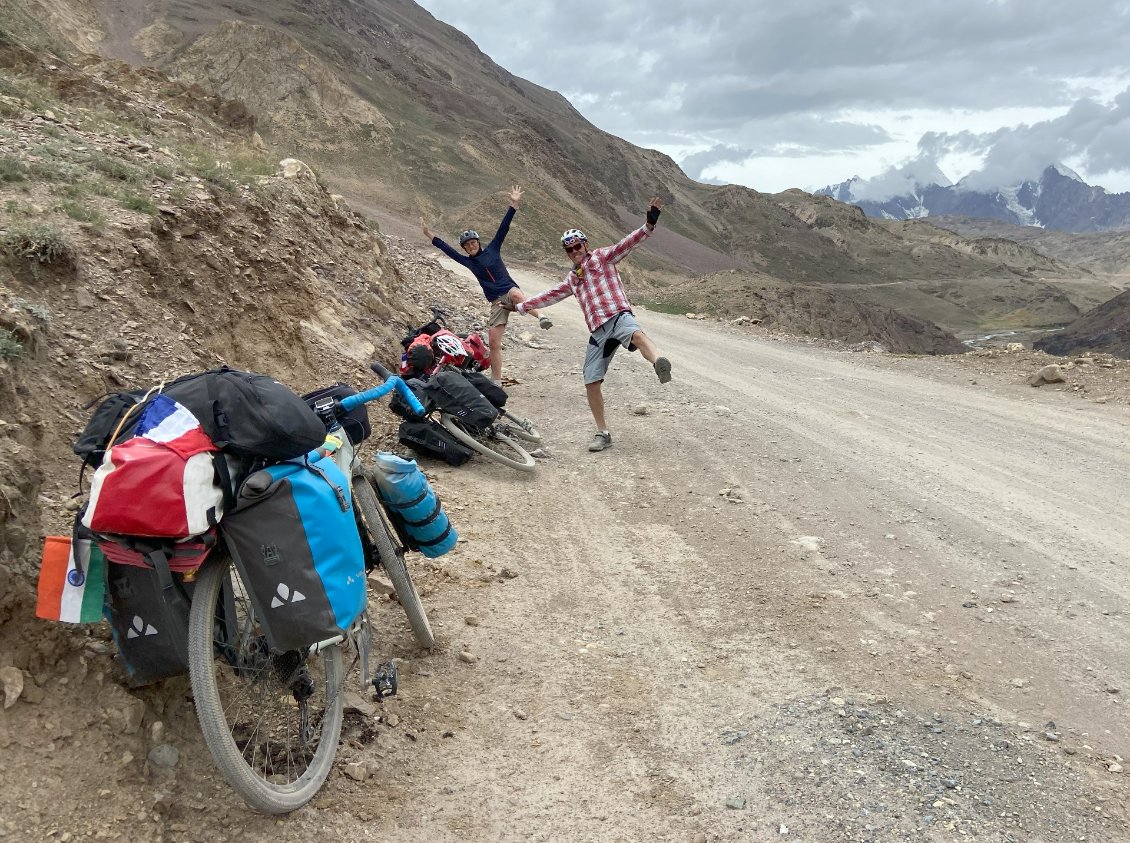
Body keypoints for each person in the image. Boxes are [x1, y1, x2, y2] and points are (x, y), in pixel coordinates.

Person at [508, 197, 671, 453]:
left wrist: (648, 225)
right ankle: (603, 433)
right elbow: (551, 295)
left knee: (636, 335)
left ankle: (659, 361)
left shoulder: (604, 257)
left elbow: (627, 244)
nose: (574, 252)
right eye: (569, 249)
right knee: (591, 381)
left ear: (585, 245)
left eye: (577, 246)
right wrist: (522, 305)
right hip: (598, 331)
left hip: (617, 315)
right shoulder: (572, 279)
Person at [420, 185, 551, 384]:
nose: (471, 246)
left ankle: (541, 317)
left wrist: (513, 204)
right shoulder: (468, 261)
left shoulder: (493, 249)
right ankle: (496, 381)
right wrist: (429, 234)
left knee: (517, 296)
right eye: (467, 245)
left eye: (473, 243)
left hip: (509, 290)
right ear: (465, 248)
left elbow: (503, 228)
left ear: (478, 242)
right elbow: (447, 249)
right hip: (496, 303)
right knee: (494, 343)